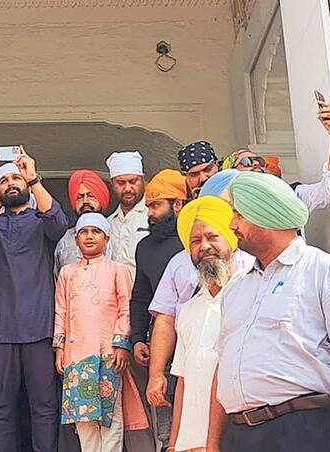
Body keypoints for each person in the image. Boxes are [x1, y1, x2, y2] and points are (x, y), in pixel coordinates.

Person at [206, 172, 330, 452]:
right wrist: (212, 444)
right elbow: (223, 369)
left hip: (299, 431)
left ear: (265, 212)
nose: (232, 225)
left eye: (238, 214)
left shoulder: (324, 270)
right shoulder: (235, 288)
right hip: (238, 435)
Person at [0, 145, 68, 451]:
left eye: (16, 180)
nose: (11, 184)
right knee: (0, 407)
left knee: (44, 405)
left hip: (38, 326)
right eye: (5, 182)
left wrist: (32, 177)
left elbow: (59, 222)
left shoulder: (41, 222)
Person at [54, 213, 148, 452]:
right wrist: (60, 348)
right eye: (84, 232)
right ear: (76, 240)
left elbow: (126, 308)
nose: (89, 237)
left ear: (107, 239)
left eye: (95, 232)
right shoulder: (67, 273)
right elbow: (61, 311)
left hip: (108, 355)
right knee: (84, 420)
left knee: (111, 418)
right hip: (77, 358)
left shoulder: (118, 270)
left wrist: (121, 344)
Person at [166, 196, 240, 452]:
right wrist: (174, 444)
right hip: (191, 442)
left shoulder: (247, 293)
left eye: (213, 237)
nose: (204, 246)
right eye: (195, 241)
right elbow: (182, 382)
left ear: (231, 239)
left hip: (235, 438)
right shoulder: (188, 309)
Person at [127, 169, 188, 450]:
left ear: (178, 204)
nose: (150, 213)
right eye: (148, 206)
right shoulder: (145, 248)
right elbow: (141, 296)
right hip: (163, 348)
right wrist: (138, 337)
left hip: (198, 343)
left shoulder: (194, 242)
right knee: (166, 430)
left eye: (156, 205)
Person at [54, 169, 112, 275]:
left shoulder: (116, 231)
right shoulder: (65, 239)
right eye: (80, 197)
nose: (85, 201)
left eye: (91, 196)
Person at [105, 151, 149, 278]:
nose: (128, 188)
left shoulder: (152, 217)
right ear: (112, 183)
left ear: (143, 180)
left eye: (133, 181)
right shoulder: (108, 223)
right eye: (121, 183)